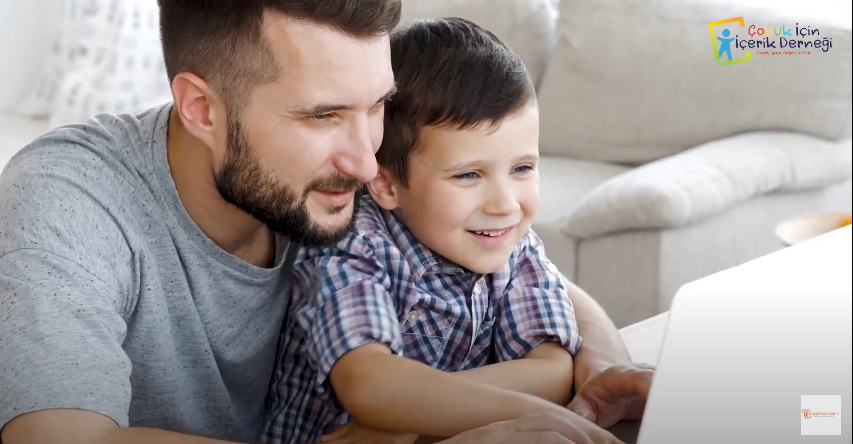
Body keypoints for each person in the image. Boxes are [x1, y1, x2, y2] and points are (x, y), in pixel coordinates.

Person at [0, 1, 652, 444]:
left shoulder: (342, 179)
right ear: (201, 108)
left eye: (375, 106)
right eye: (322, 116)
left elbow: (527, 271)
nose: (368, 157)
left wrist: (599, 369)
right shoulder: (69, 197)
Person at [262, 17, 615, 444]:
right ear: (387, 183)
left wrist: (405, 416)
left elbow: (555, 369)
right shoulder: (351, 245)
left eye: (523, 168)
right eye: (468, 175)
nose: (504, 204)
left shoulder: (512, 243)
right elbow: (370, 384)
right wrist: (402, 406)